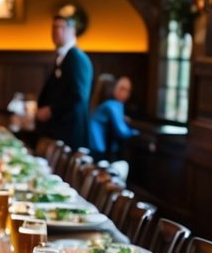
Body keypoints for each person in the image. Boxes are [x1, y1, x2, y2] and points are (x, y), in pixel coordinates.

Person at [36, 13, 92, 151]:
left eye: (61, 27)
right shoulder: (62, 56)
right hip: (59, 132)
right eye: (54, 27)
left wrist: (51, 110)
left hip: (70, 135)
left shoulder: (76, 57)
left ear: (72, 31)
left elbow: (78, 96)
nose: (56, 31)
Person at [90, 75, 139, 159]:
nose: (126, 94)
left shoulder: (104, 104)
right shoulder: (112, 104)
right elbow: (122, 131)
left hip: (93, 142)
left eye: (128, 91)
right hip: (97, 145)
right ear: (114, 88)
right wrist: (136, 132)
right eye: (122, 89)